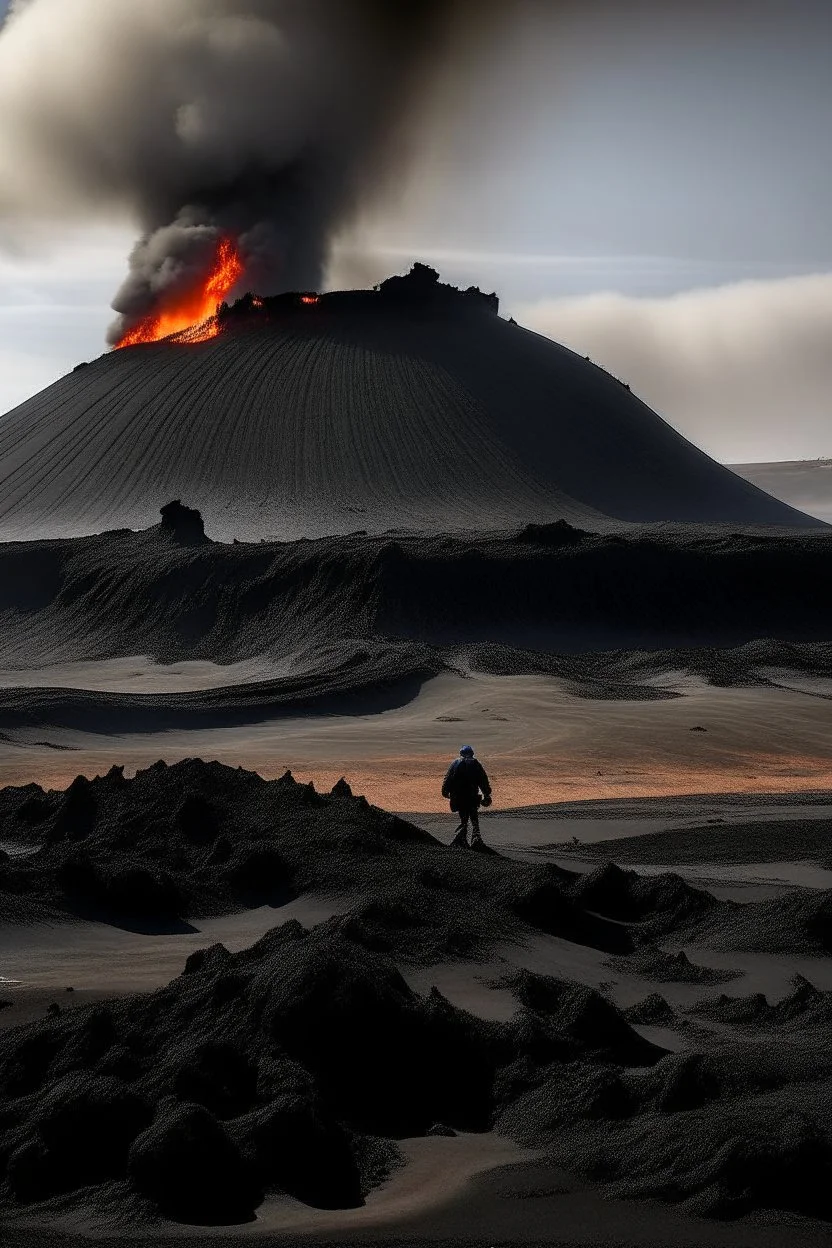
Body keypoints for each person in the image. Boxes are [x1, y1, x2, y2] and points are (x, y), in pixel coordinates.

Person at [441, 745, 492, 848]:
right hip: (472, 796)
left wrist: (445, 791)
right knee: (473, 816)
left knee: (463, 817)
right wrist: (486, 794)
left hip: (459, 797)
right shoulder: (476, 764)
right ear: (472, 753)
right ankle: (476, 838)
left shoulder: (456, 763)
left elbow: (448, 778)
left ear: (461, 754)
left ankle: (462, 838)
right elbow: (483, 780)